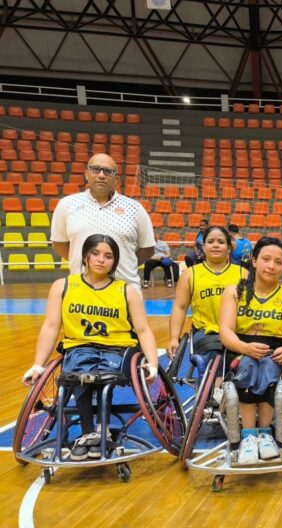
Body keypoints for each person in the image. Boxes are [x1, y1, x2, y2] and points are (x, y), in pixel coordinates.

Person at [22, 234, 159, 461]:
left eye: (108, 256)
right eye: (95, 253)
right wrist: (37, 365)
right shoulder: (63, 286)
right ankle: (89, 433)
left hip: (118, 348)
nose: (101, 260)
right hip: (79, 347)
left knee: (102, 375)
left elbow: (143, 330)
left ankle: (101, 429)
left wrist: (152, 363)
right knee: (78, 371)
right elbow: (51, 326)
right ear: (85, 256)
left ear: (114, 262)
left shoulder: (126, 291)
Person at [219, 237, 282, 465]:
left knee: (269, 368)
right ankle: (249, 436)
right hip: (240, 352)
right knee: (248, 366)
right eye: (266, 259)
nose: (272, 266)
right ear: (254, 261)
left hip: (275, 355)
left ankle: (265, 433)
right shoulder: (234, 292)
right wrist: (245, 348)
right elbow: (226, 332)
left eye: (278, 262)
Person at [51, 154, 155, 290]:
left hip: (124, 289)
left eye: (108, 171)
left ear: (116, 179)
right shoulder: (67, 204)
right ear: (86, 174)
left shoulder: (134, 208)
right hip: (81, 290)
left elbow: (148, 248)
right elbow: (59, 244)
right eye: (95, 169)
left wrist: (120, 264)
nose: (101, 175)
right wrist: (85, 263)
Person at [168, 226, 244, 386]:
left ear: (229, 247)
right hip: (206, 332)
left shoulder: (242, 274)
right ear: (203, 247)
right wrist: (174, 338)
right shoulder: (191, 274)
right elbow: (180, 308)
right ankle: (215, 396)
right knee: (216, 352)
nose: (215, 245)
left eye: (221, 242)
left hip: (237, 332)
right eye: (210, 241)